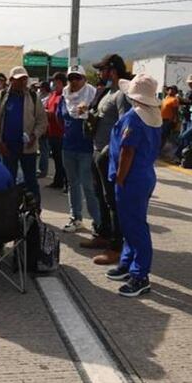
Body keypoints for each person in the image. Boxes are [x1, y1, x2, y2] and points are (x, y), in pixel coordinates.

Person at [105, 75, 162, 297]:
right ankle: (127, 263)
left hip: (131, 179)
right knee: (131, 224)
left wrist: (120, 178)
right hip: (144, 175)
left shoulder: (133, 118)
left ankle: (140, 275)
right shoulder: (154, 116)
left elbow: (127, 151)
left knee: (135, 227)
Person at [84, 54, 132, 265]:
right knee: (100, 197)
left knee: (112, 201)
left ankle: (116, 246)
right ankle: (103, 233)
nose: (99, 74)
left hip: (108, 155)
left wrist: (111, 153)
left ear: (111, 70)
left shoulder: (122, 94)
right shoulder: (107, 92)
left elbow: (125, 126)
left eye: (101, 70)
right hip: (97, 151)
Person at [0, 66, 47, 205]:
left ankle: (35, 211)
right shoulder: (1, 97)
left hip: (28, 148)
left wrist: (34, 135)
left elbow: (42, 121)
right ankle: (9, 211)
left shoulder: (33, 97)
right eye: (19, 80)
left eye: (24, 79)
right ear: (11, 80)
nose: (22, 82)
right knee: (8, 180)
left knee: (31, 181)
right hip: (7, 148)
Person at [59, 66, 100, 233]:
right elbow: (60, 117)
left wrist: (88, 113)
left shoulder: (94, 95)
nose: (74, 82)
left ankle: (98, 222)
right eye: (71, 78)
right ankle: (76, 218)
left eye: (78, 78)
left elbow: (99, 120)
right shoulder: (65, 96)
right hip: (68, 146)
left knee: (88, 186)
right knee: (72, 184)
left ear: (84, 79)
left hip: (86, 148)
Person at [43, 72, 67, 190]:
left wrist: (48, 113)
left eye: (57, 82)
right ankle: (57, 181)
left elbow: (59, 113)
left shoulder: (64, 96)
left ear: (62, 83)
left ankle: (65, 183)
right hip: (51, 132)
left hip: (60, 133)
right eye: (54, 82)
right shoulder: (53, 95)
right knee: (57, 159)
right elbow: (47, 107)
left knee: (62, 161)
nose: (54, 85)